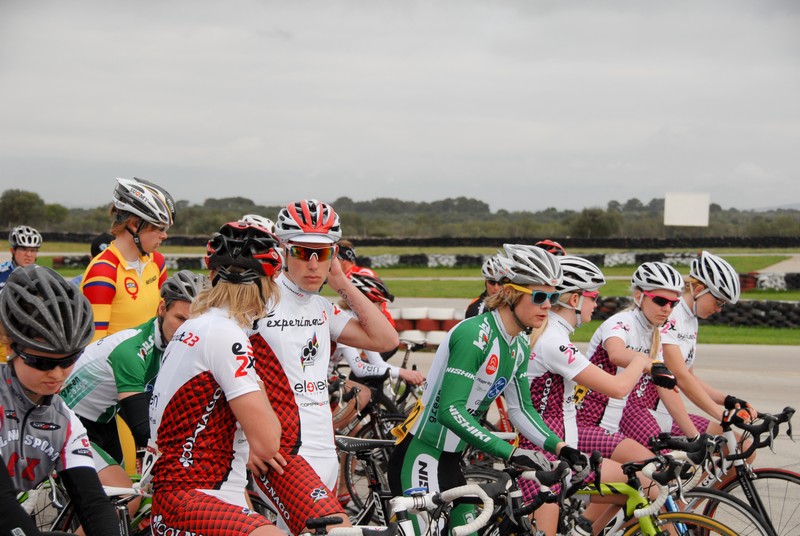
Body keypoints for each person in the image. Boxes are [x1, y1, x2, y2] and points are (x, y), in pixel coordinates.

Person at [387, 244, 589, 536]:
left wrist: (561, 447)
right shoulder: (474, 335)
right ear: (510, 293)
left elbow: (522, 409)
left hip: (451, 459)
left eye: (553, 297)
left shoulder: (518, 344)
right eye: (539, 296)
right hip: (422, 455)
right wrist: (511, 452)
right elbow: (450, 411)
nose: (548, 305)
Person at [249, 199, 399, 535]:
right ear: (283, 251)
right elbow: (226, 374)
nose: (314, 263)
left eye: (323, 253)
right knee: (338, 530)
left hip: (324, 447)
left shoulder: (321, 307)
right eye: (303, 252)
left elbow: (386, 339)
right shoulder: (259, 301)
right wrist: (244, 443)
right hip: (282, 451)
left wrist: (342, 282)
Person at [147, 222, 284, 536]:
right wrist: (260, 388)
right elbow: (267, 443)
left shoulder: (195, 325)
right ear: (266, 285)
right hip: (196, 493)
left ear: (213, 276)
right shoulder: (227, 335)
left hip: (194, 491)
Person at [519, 256, 658, 534]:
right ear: (575, 300)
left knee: (641, 485)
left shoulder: (555, 335)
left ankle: (583, 530)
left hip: (564, 454)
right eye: (594, 297)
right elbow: (617, 388)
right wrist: (640, 361)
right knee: (645, 483)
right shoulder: (553, 342)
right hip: (545, 459)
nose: (596, 305)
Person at [0, 265, 120, 535]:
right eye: (41, 362)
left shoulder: (63, 420)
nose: (57, 374)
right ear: (10, 347)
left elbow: (92, 503)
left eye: (68, 361)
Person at [61, 270, 206, 467]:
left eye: (194, 322)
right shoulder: (132, 351)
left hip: (105, 418)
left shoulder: (169, 342)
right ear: (162, 309)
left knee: (125, 485)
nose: (186, 329)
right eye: (181, 318)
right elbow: (142, 429)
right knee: (118, 485)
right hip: (72, 417)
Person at [575, 262, 694, 452]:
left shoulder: (654, 334)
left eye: (673, 303)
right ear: (639, 296)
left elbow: (665, 388)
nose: (667, 309)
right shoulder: (621, 322)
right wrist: (648, 363)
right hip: (585, 422)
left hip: (613, 423)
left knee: (664, 461)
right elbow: (616, 354)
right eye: (661, 301)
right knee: (655, 463)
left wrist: (694, 436)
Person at [656, 251, 756, 435]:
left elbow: (690, 376)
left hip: (666, 412)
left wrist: (727, 400)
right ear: (699, 290)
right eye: (718, 302)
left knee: (742, 446)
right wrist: (722, 415)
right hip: (650, 414)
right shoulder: (671, 315)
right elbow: (681, 376)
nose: (718, 309)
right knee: (721, 444)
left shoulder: (691, 319)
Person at [81, 177, 175, 342]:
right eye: (160, 227)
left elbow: (162, 321)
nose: (164, 235)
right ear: (135, 224)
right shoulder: (103, 272)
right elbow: (93, 347)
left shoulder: (157, 262)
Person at [0, 225, 42, 290]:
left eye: (33, 250)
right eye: (23, 249)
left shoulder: (42, 275)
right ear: (13, 251)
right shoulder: (1, 272)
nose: (28, 254)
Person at [464, 254, 503, 318]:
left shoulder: (517, 303)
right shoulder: (475, 308)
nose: (496, 288)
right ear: (486, 282)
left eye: (501, 283)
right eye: (492, 282)